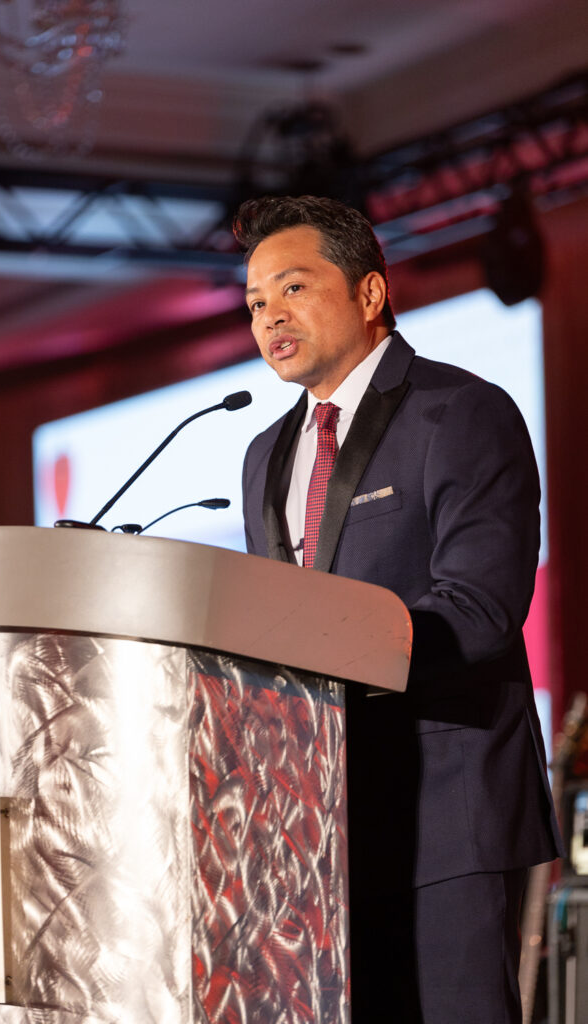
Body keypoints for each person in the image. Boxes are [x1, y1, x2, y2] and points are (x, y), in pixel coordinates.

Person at [234, 195, 562, 1024]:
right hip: (310, 832)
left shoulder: (460, 412)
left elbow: (479, 609)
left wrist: (326, 654)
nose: (270, 314)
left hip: (441, 813)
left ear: (370, 292)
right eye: (255, 302)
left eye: (293, 287)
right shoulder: (263, 452)